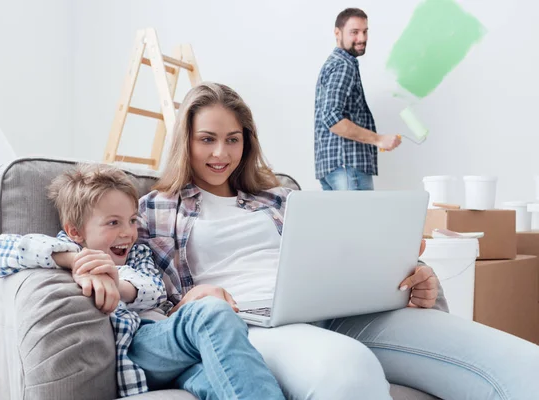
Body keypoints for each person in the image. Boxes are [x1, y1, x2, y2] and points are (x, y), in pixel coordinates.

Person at [140, 81, 539, 399]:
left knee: (522, 363)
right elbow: (141, 297)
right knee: (347, 373)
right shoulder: (155, 208)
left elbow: (337, 257)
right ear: (185, 141)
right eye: (207, 139)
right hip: (254, 327)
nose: (221, 153)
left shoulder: (278, 197)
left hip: (338, 309)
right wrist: (187, 304)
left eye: (233, 139)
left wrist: (407, 276)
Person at [0, 164, 284, 399]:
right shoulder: (67, 250)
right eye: (113, 222)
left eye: (132, 220)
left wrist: (116, 281)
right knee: (213, 315)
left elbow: (153, 289)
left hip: (164, 340)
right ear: (75, 231)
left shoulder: (138, 253)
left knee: (221, 380)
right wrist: (74, 259)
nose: (128, 233)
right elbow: (0, 249)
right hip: (136, 346)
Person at [315, 8, 402, 191]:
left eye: (365, 31)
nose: (362, 38)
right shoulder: (343, 66)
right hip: (348, 167)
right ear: (337, 33)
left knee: (344, 220)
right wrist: (379, 139)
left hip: (334, 168)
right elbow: (332, 118)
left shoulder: (335, 63)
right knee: (360, 220)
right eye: (354, 32)